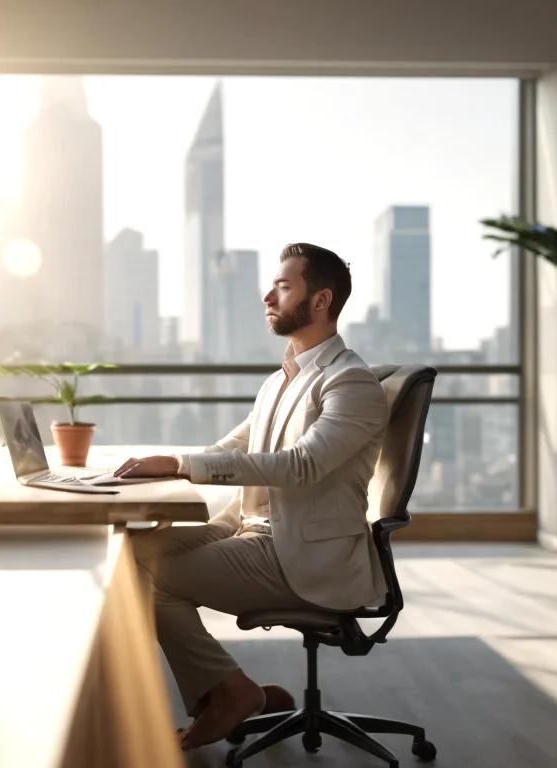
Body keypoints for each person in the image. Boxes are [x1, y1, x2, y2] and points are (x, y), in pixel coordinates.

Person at [113, 243, 389, 751]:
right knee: (126, 558)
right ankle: (233, 691)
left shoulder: (350, 381)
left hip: (301, 556)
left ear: (321, 299)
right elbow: (231, 449)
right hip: (248, 529)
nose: (267, 295)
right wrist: (154, 465)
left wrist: (181, 466)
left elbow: (302, 465)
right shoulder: (282, 379)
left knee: (151, 579)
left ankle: (230, 694)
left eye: (283, 286)